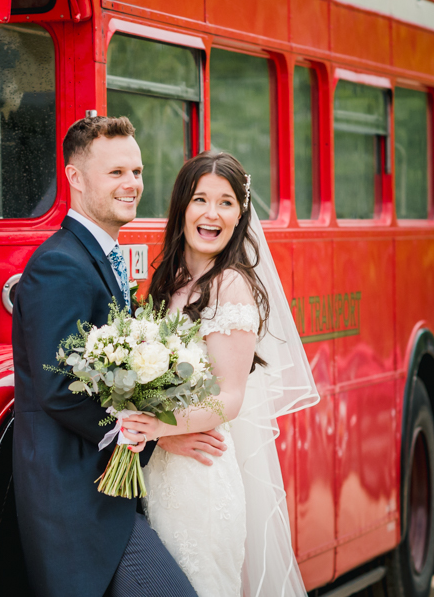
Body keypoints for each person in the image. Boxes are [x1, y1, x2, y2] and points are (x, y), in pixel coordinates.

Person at [11, 115, 198, 597]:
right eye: (116, 173)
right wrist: (138, 432)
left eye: (136, 172)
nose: (132, 184)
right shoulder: (59, 264)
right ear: (75, 178)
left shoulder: (100, 255)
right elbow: (58, 387)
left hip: (107, 496)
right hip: (75, 502)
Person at [121, 151, 319, 597]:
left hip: (201, 478)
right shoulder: (169, 282)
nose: (212, 214)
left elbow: (229, 398)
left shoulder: (230, 285)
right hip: (162, 473)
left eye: (226, 202)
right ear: (182, 208)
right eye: (200, 200)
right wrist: (157, 433)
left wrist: (156, 425)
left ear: (240, 214)